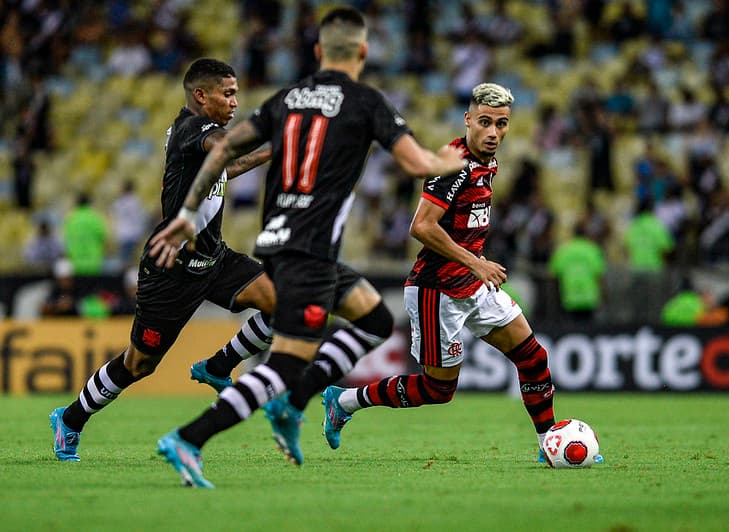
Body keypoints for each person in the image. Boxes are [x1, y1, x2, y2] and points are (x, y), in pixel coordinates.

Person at [148, 7, 466, 488]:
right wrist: (447, 158)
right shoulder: (365, 101)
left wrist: (187, 215)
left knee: (376, 320)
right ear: (362, 51)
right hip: (309, 250)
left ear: (318, 52)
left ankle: (297, 402)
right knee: (287, 364)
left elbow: (220, 152)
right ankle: (191, 438)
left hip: (278, 242)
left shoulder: (286, 98)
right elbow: (417, 162)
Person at [319, 82, 563, 468]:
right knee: (437, 389)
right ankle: (344, 400)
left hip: (472, 283)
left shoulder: (489, 162)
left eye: (501, 124)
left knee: (533, 357)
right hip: (438, 290)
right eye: (485, 122)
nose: (493, 132)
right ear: (468, 120)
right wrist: (476, 262)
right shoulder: (454, 165)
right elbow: (421, 227)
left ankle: (550, 444)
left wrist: (474, 267)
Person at [48, 58, 278, 462]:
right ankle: (70, 418)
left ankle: (219, 366)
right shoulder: (195, 129)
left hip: (214, 258)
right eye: (228, 93)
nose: (235, 101)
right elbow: (225, 148)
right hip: (171, 269)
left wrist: (269, 154)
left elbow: (224, 169)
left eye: (237, 93)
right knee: (138, 365)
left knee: (286, 301)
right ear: (201, 95)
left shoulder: (200, 135)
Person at [63, 192, 108, 275]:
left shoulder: (71, 219)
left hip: (75, 263)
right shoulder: (95, 218)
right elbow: (103, 237)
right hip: (93, 263)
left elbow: (66, 240)